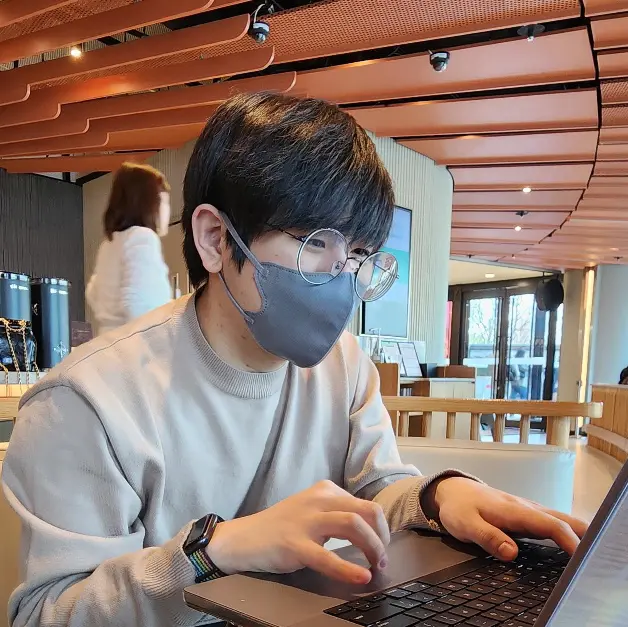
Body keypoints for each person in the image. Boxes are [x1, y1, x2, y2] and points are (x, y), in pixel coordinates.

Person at [2, 94, 587, 627]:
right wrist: (211, 554)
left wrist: (438, 497)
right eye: (316, 243)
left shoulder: (344, 364)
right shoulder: (87, 401)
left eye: (358, 254)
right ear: (215, 239)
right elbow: (47, 616)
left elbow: (377, 488)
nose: (343, 279)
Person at [85, 162, 173, 335]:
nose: (167, 210)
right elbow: (141, 306)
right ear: (148, 202)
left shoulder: (109, 244)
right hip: (135, 346)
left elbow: (93, 294)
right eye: (163, 201)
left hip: (108, 341)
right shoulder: (142, 238)